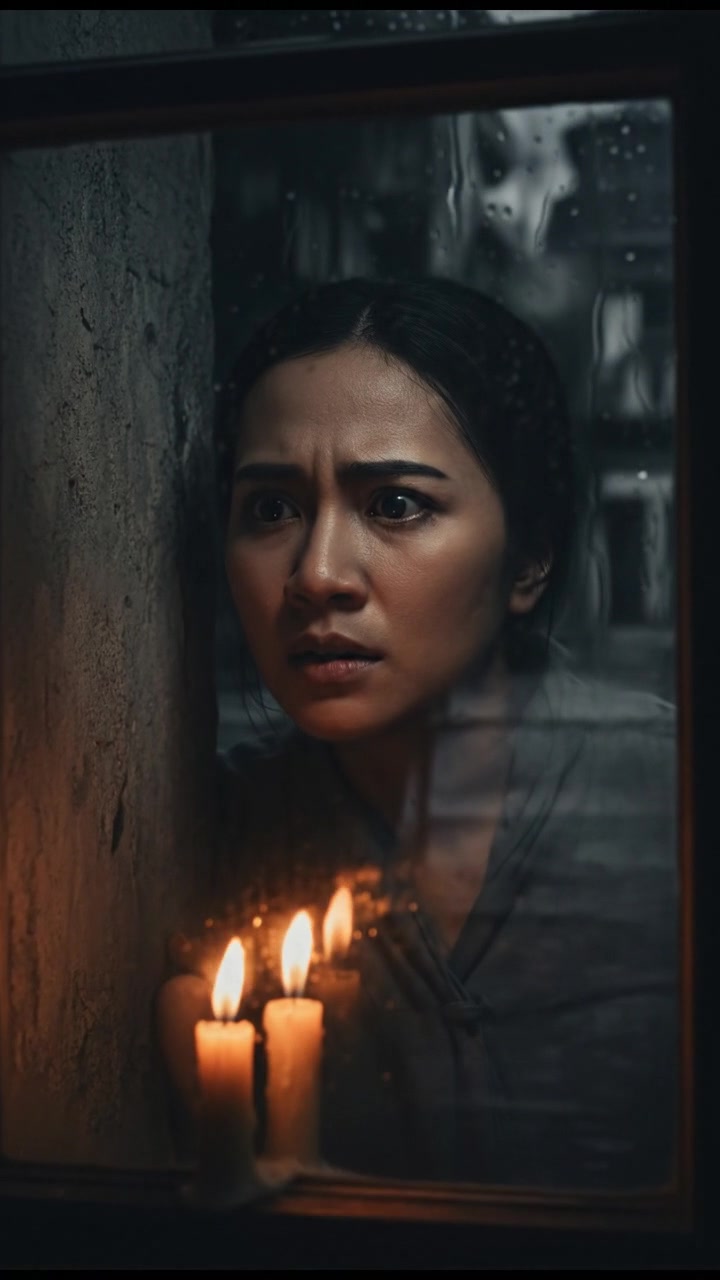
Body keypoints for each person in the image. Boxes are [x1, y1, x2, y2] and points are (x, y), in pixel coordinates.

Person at [158, 278, 677, 1191]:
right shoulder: (206, 834)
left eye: (396, 505)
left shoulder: (669, 805)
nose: (317, 575)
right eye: (271, 510)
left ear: (529, 558)